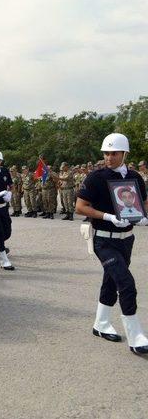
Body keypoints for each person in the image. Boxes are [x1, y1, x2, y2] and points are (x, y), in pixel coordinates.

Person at [76, 133, 148, 355]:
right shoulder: (95, 178)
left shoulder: (135, 177)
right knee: (126, 284)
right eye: (106, 153)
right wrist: (108, 216)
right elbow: (80, 207)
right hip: (103, 240)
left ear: (125, 153)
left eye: (114, 153)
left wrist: (143, 216)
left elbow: (143, 203)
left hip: (126, 239)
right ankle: (135, 335)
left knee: (111, 281)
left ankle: (101, 323)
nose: (109, 157)